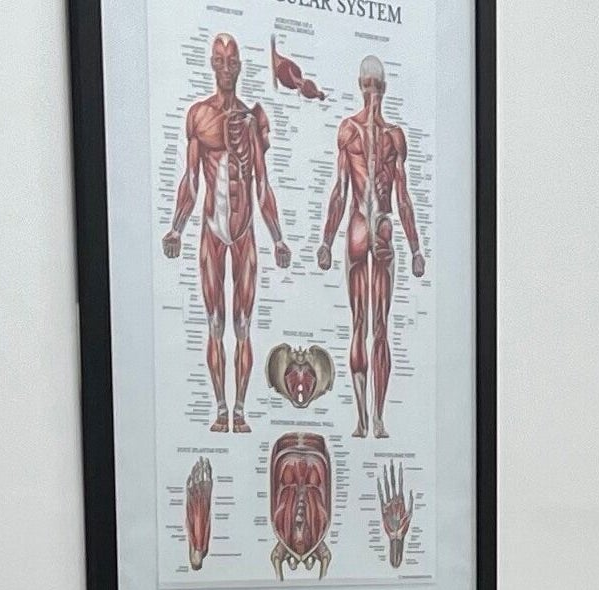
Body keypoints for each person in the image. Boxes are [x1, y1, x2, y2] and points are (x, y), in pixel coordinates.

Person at [161, 35, 293, 435]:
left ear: (239, 66)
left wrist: (278, 237)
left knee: (243, 325)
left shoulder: (252, 120)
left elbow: (262, 184)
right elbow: (191, 179)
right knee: (215, 323)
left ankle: (240, 408)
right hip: (212, 230)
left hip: (245, 230)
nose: (226, 67)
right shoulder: (199, 116)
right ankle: (221, 409)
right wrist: (177, 227)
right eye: (219, 60)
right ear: (212, 64)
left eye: (232, 60)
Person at [318, 56, 428, 439]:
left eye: (375, 85)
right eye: (369, 85)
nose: (372, 92)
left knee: (376, 326)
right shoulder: (356, 132)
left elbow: (402, 198)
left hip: (375, 228)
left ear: (380, 87)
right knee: (364, 325)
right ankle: (365, 417)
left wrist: (415, 247)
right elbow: (341, 191)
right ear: (364, 86)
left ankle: (374, 417)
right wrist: (326, 240)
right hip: (366, 227)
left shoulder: (388, 136)